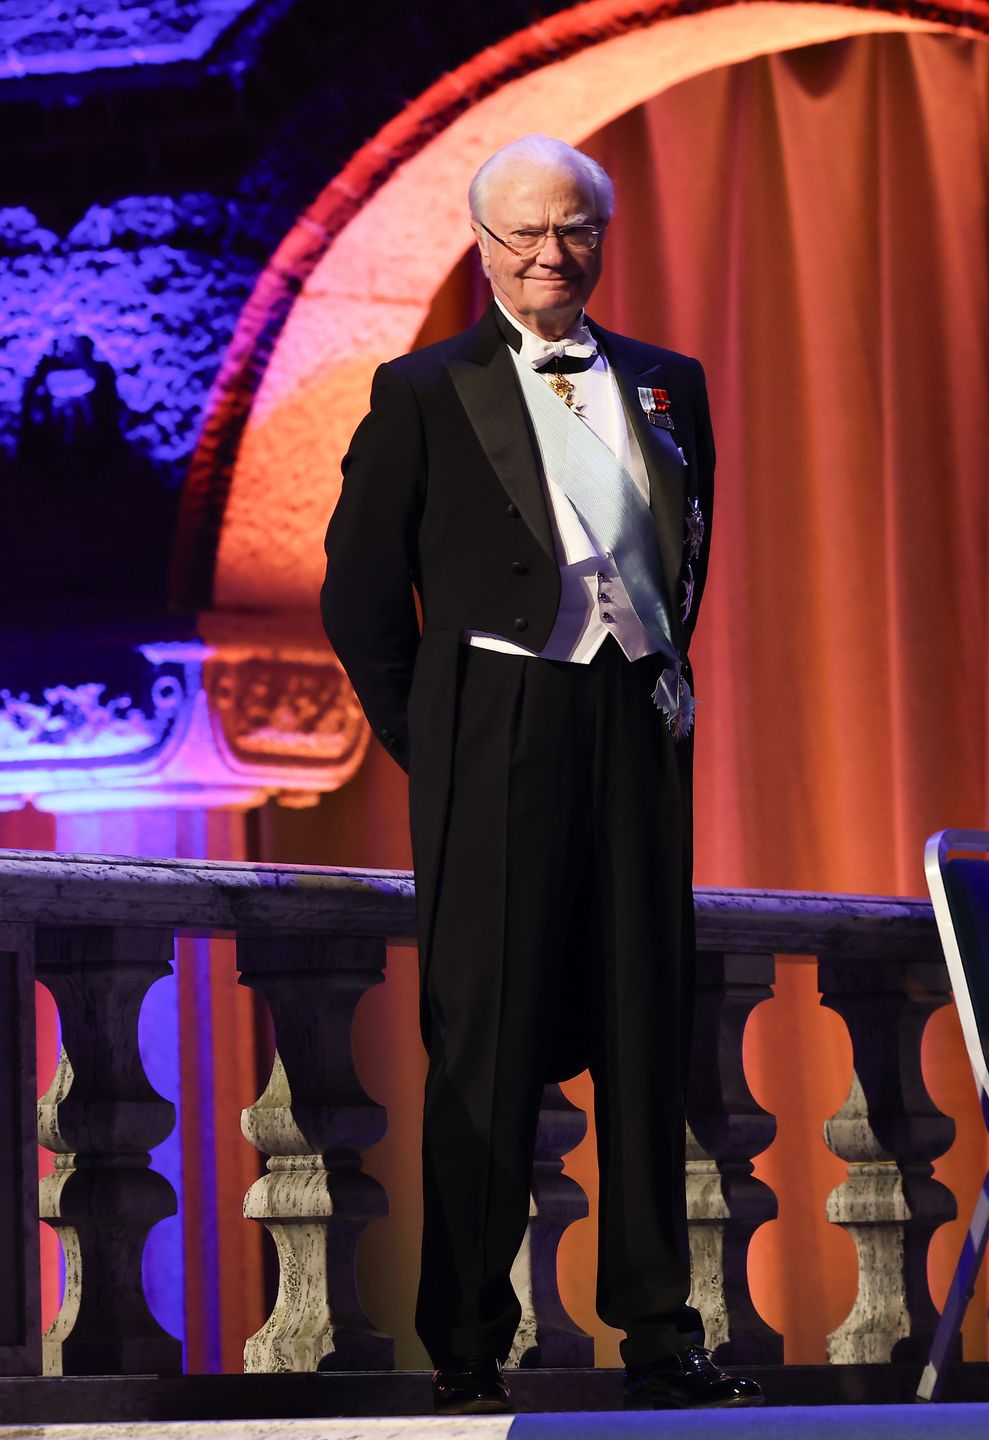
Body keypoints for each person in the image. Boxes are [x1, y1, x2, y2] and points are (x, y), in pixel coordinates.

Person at [320, 134, 763, 1415]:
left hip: (630, 723)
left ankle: (660, 1331)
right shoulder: (421, 389)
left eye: (572, 230)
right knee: (485, 1043)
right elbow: (359, 599)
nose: (549, 254)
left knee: (645, 1031)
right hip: (493, 726)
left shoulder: (668, 384)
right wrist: (436, 739)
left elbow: (682, 561)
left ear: (602, 239)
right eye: (522, 234)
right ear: (483, 243)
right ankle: (466, 1337)